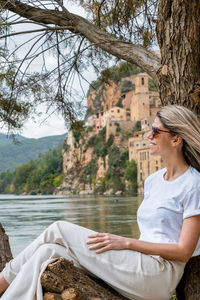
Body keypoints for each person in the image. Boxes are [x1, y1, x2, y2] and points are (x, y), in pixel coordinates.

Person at [0, 105, 200, 300]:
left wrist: (127, 243)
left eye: (155, 131)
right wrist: (128, 247)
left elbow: (184, 252)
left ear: (176, 139)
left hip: (160, 274)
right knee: (46, 252)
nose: (148, 136)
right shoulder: (153, 181)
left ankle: (1, 280)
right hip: (140, 265)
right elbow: (150, 233)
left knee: (58, 229)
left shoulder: (193, 184)